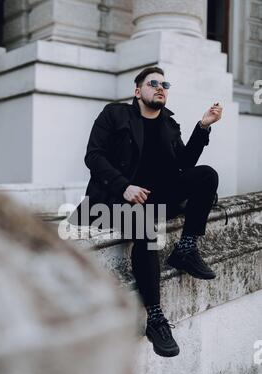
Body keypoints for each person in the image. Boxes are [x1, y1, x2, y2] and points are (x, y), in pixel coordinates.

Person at [69, 66, 223, 358]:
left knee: (206, 176)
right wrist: (124, 186)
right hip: (110, 201)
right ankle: (155, 317)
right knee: (143, 225)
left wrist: (202, 127)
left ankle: (186, 248)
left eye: (164, 83)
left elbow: (184, 166)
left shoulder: (168, 123)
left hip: (155, 199)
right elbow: (94, 155)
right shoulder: (114, 115)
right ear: (138, 91)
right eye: (153, 83)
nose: (160, 87)